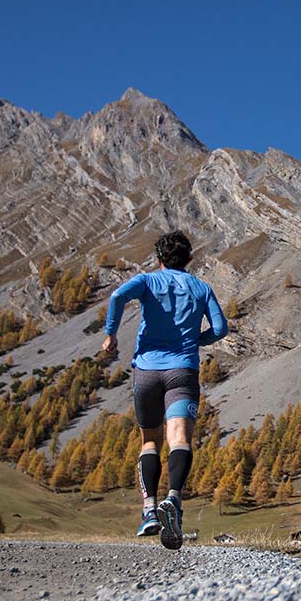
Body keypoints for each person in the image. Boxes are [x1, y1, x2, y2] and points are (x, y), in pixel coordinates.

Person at [100, 231, 228, 549]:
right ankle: (174, 499)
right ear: (189, 259)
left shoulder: (147, 281)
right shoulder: (202, 287)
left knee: (149, 442)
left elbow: (117, 297)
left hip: (146, 372)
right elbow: (221, 328)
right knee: (180, 439)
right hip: (183, 371)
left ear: (158, 259)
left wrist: (111, 334)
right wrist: (200, 339)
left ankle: (149, 512)